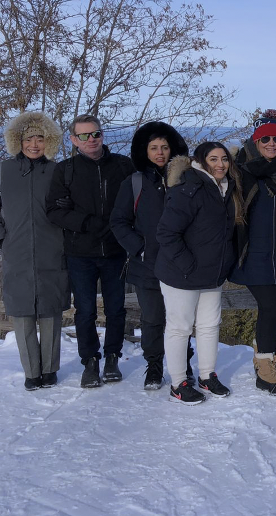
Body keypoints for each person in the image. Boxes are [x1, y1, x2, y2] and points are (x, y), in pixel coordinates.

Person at [45, 114, 135, 388]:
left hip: (115, 250)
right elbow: (54, 211)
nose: (91, 139)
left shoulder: (122, 166)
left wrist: (121, 227)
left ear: (102, 135)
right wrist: (87, 223)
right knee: (84, 311)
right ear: (74, 140)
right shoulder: (66, 170)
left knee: (116, 309)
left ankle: (111, 357)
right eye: (84, 136)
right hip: (80, 252)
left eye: (95, 134)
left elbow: (138, 202)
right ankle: (90, 361)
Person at [155, 142, 242, 405]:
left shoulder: (225, 189)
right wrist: (187, 266)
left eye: (224, 159)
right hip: (181, 274)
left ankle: (206, 376)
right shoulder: (188, 190)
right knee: (180, 328)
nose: (220, 164)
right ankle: (179, 383)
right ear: (201, 162)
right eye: (213, 159)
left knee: (208, 326)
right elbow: (167, 233)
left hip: (211, 274)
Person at [110, 121, 194, 391]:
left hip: (180, 263)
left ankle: (184, 363)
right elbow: (119, 221)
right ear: (144, 151)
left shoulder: (186, 179)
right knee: (153, 318)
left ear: (173, 149)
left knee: (181, 318)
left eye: (165, 147)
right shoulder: (134, 183)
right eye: (154, 147)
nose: (160, 153)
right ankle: (155, 365)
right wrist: (140, 248)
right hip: (147, 265)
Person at [0, 112, 69, 390]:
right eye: (28, 138)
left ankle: (50, 369)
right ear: (18, 140)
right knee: (22, 313)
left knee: (51, 312)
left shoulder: (57, 171)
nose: (34, 144)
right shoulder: (4, 171)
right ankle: (32, 372)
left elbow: (68, 208)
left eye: (40, 139)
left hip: (51, 250)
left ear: (49, 142)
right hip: (15, 252)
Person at [231, 110, 276, 396]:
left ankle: (264, 352)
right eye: (265, 139)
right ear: (255, 141)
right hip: (252, 254)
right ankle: (265, 369)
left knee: (272, 306)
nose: (271, 144)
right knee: (270, 306)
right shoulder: (239, 171)